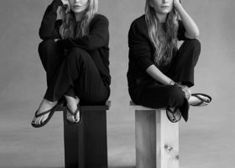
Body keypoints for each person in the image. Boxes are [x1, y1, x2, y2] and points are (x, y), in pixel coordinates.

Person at [127, 0, 211, 122]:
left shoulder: (173, 24)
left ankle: (182, 92)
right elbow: (146, 64)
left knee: (194, 44)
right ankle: (185, 97)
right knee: (174, 94)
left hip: (171, 83)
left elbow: (194, 34)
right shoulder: (139, 26)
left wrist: (178, 7)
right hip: (144, 87)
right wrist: (172, 84)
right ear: (150, 3)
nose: (165, 0)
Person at [31, 0, 111, 127]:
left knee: (76, 53)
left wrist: (63, 43)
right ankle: (70, 96)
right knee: (46, 46)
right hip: (71, 86)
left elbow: (92, 42)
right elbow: (44, 34)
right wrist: (55, 4)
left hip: (96, 89)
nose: (77, 1)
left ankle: (49, 99)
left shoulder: (99, 21)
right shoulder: (63, 25)